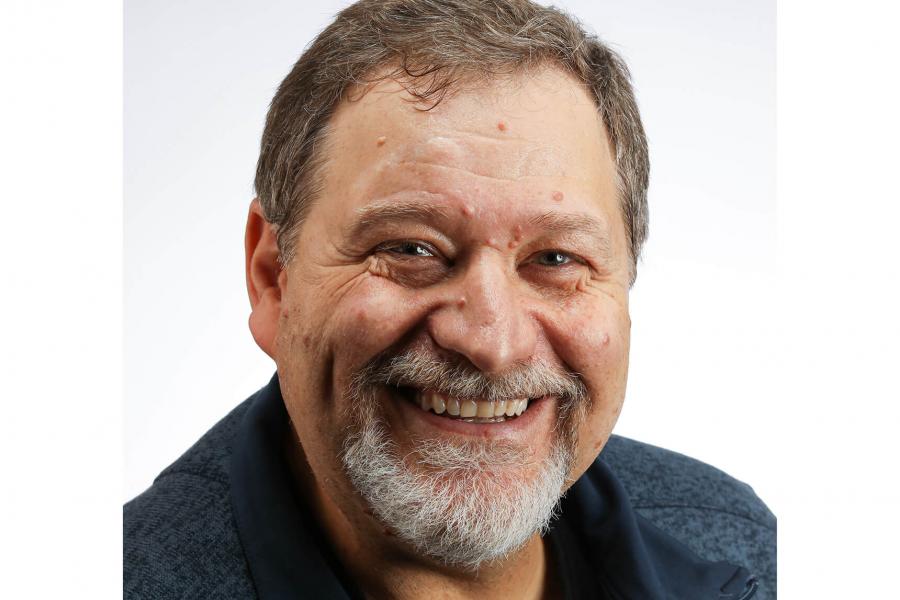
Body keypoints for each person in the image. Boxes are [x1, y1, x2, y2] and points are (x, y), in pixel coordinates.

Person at [124, 0, 775, 598]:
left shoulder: (745, 548)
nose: (492, 343)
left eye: (555, 259)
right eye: (412, 249)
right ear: (273, 276)